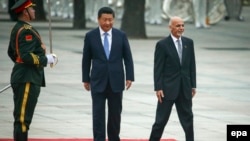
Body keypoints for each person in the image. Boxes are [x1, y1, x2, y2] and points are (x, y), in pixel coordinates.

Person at [82, 7, 134, 141]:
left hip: (116, 81)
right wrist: (85, 79)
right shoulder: (90, 36)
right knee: (98, 114)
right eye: (105, 20)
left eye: (110, 20)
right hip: (98, 80)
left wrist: (129, 77)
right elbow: (86, 59)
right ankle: (98, 138)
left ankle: (114, 138)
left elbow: (128, 58)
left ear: (114, 20)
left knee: (115, 114)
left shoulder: (120, 35)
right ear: (98, 19)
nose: (107, 23)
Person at [7, 0, 57, 140]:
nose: (34, 11)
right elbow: (26, 56)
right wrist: (46, 60)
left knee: (22, 117)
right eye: (32, 9)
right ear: (25, 12)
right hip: (27, 78)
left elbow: (12, 52)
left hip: (23, 76)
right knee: (23, 119)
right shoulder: (25, 31)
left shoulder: (17, 28)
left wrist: (20, 66)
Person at [149, 16, 196, 141]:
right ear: (170, 27)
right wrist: (158, 87)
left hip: (184, 88)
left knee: (188, 120)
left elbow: (192, 65)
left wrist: (193, 85)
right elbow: (158, 68)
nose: (181, 28)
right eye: (178, 26)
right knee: (160, 121)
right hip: (167, 89)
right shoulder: (162, 45)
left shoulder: (189, 43)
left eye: (182, 25)